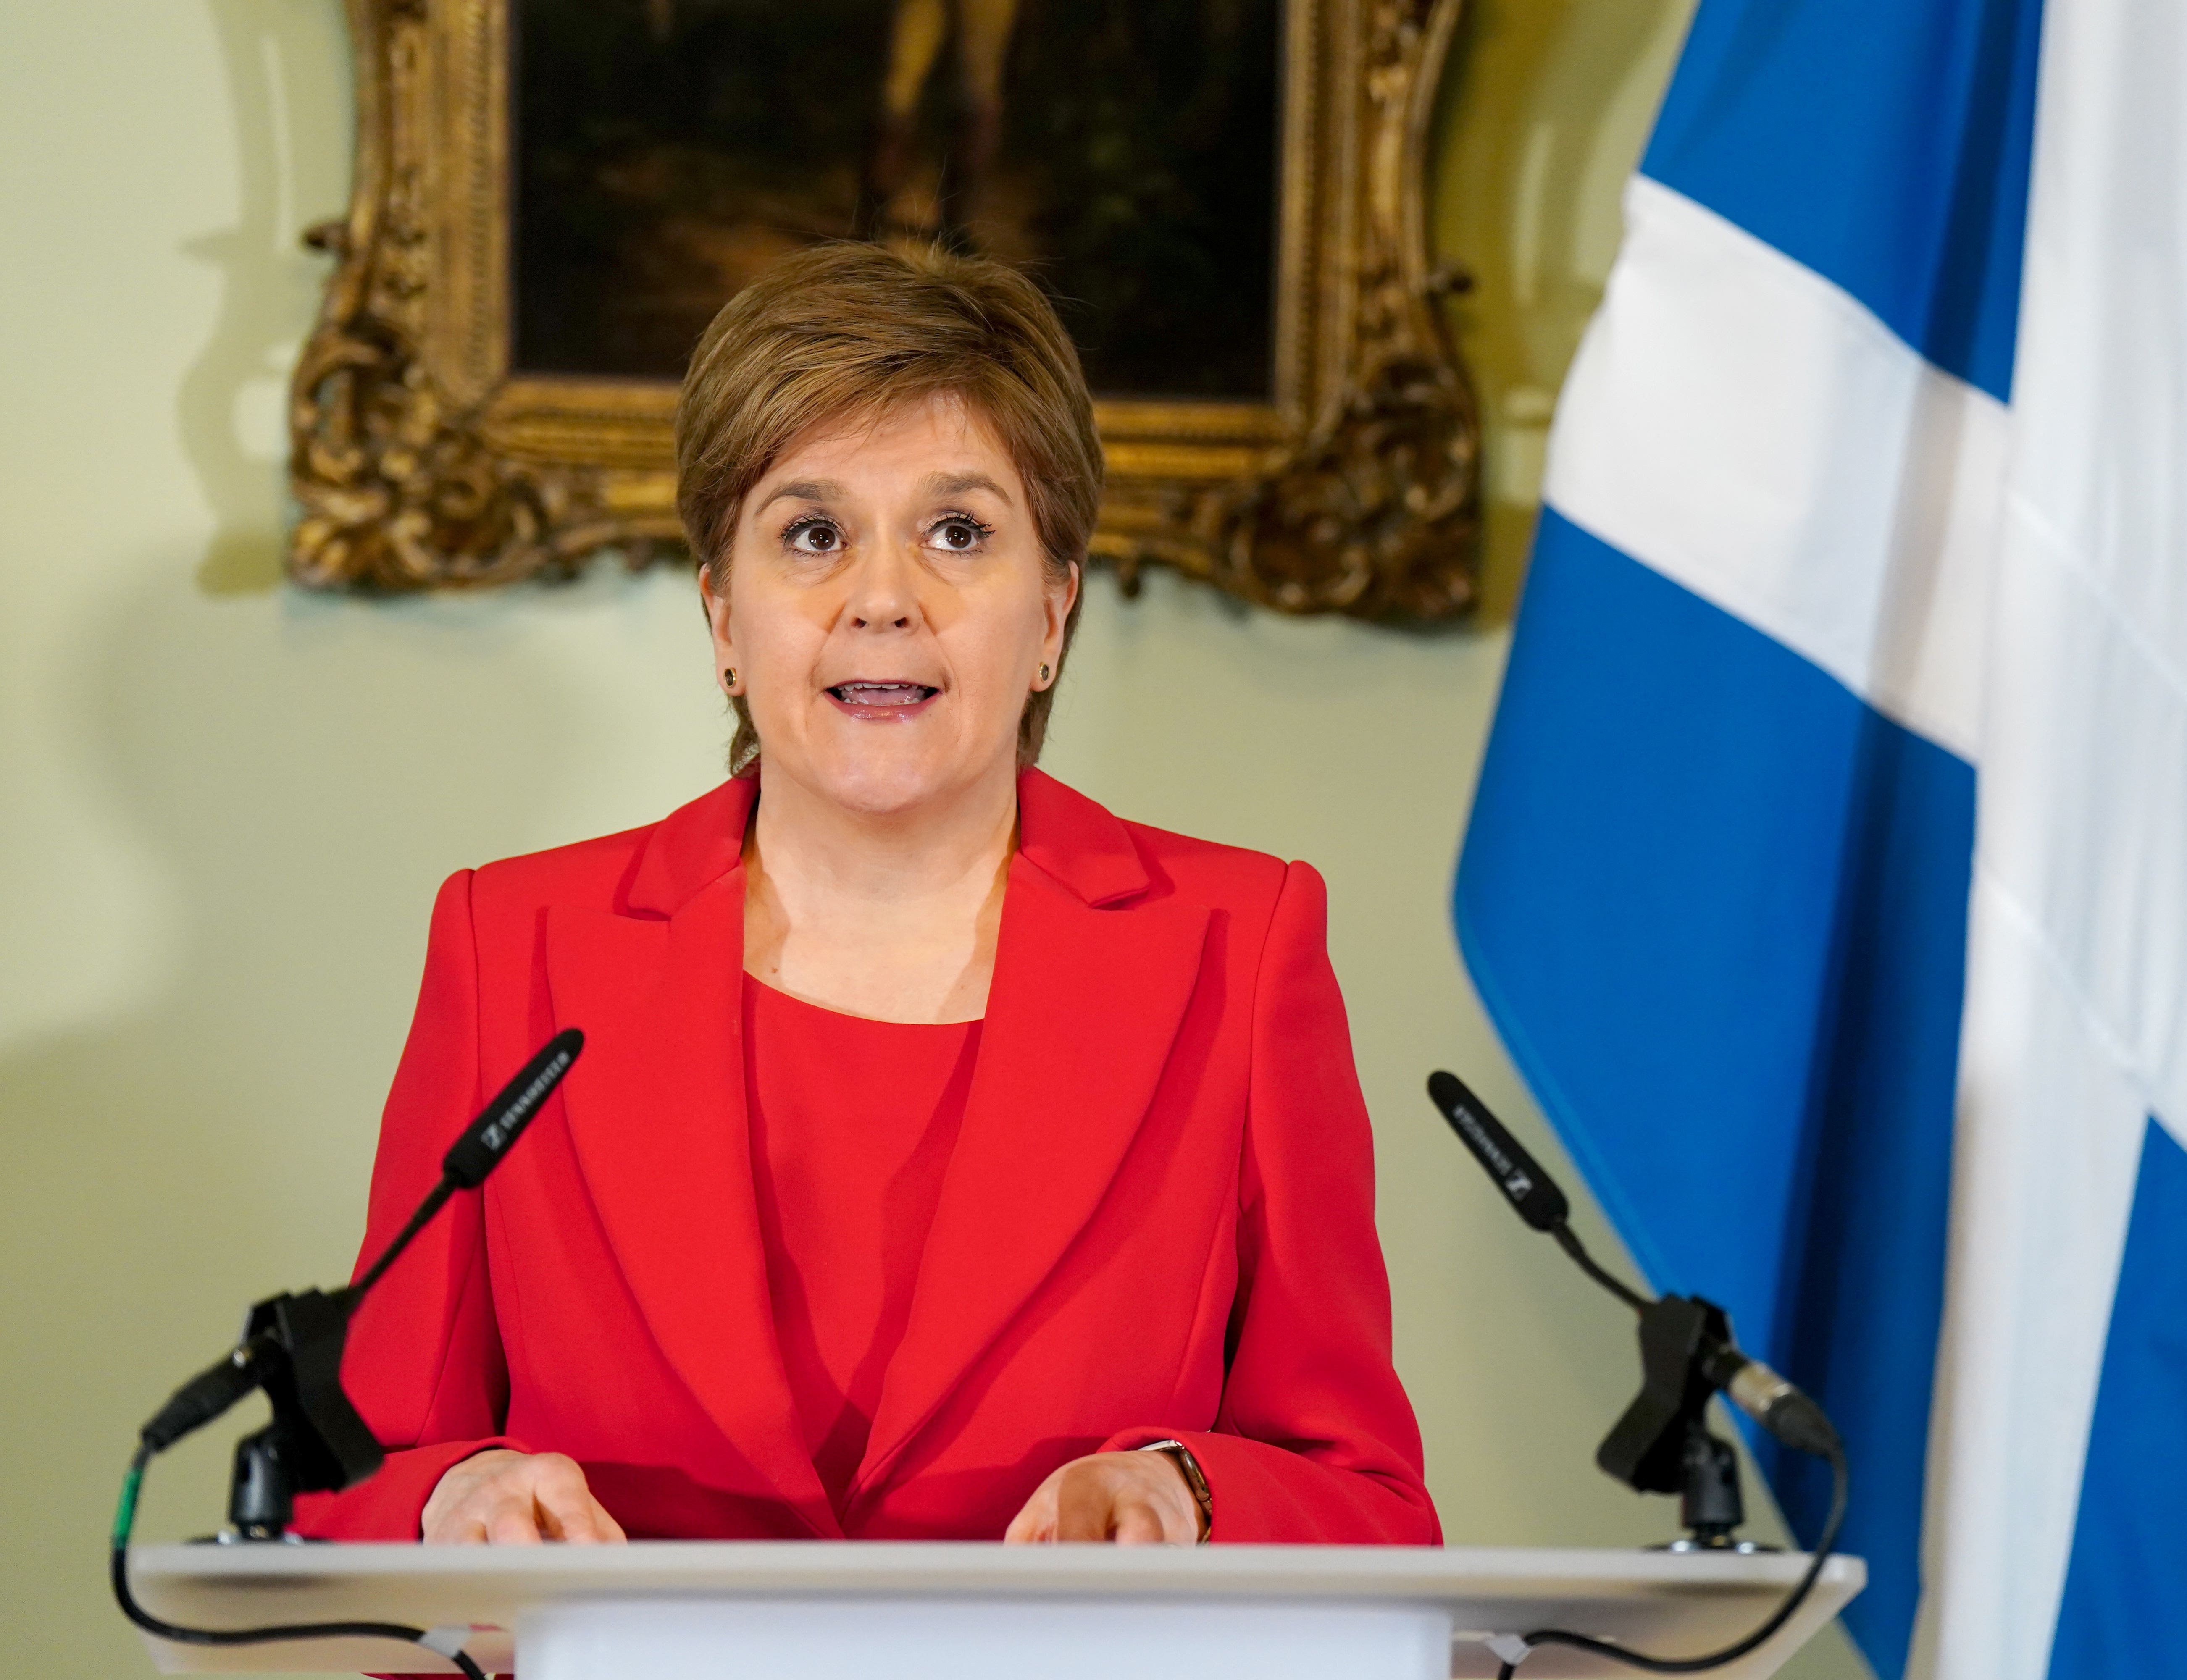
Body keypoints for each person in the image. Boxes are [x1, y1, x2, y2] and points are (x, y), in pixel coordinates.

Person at [289, 242, 1438, 1548]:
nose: (883, 599)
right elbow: (360, 1481)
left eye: (959, 531)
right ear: (725, 616)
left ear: (1054, 611)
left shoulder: (1241, 950)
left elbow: (1371, 1509)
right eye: (813, 533)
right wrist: (451, 1505)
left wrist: (1189, 1491)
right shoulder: (514, 945)